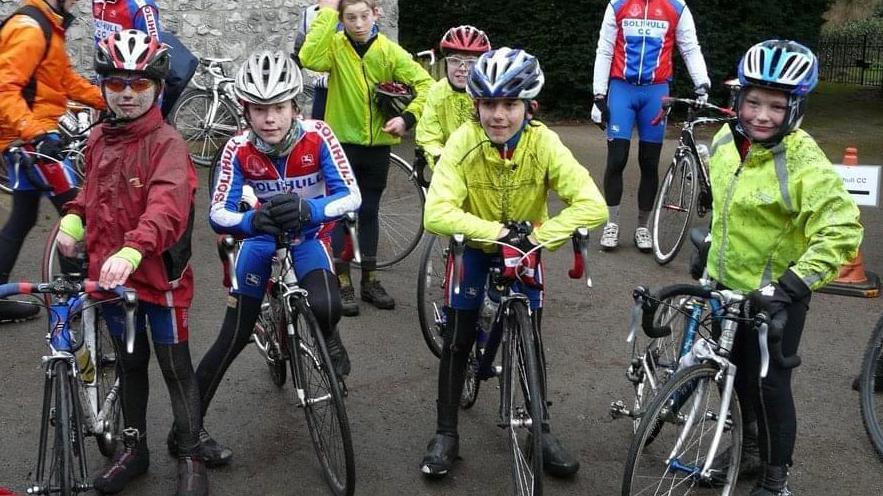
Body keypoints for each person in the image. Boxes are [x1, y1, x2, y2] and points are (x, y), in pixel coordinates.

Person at [419, 47, 609, 478]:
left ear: (529, 106)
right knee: (459, 337)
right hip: (476, 248)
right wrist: (500, 232)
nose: (498, 115)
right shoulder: (463, 143)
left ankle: (540, 430)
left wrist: (540, 236)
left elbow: (593, 206)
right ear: (476, 105)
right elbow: (436, 212)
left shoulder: (544, 143)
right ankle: (445, 432)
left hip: (526, 249)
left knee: (532, 341)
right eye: (488, 104)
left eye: (510, 104)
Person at [692, 40, 862, 495]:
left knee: (768, 386)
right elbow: (728, 206)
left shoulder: (806, 162)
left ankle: (775, 479)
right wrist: (708, 246)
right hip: (727, 286)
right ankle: (748, 451)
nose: (761, 116)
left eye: (776, 106)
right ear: (737, 99)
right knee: (736, 376)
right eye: (753, 102)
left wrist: (787, 287)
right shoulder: (726, 140)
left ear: (796, 110)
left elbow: (843, 231)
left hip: (778, 296)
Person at [190, 49, 361, 465]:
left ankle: (328, 334)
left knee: (327, 304)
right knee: (231, 338)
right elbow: (217, 212)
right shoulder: (236, 148)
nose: (270, 119)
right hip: (261, 241)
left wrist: (312, 210)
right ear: (246, 111)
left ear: (294, 106)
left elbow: (351, 194)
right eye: (259, 109)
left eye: (279, 108)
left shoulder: (318, 135)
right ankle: (188, 433)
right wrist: (251, 224)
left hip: (308, 237)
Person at [55, 29, 207, 495]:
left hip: (157, 280)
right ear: (103, 86)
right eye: (117, 83)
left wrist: (132, 249)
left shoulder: (168, 143)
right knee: (129, 364)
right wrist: (73, 221)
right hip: (112, 281)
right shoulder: (99, 138)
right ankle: (134, 449)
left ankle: (191, 455)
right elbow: (90, 194)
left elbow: (167, 207)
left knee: (174, 367)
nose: (126, 94)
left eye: (139, 85)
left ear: (158, 89)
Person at [299, 0, 433, 316]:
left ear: (375, 14)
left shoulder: (388, 51)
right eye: (350, 18)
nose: (358, 24)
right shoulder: (333, 46)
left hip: (377, 146)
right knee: (342, 211)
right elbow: (307, 57)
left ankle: (370, 280)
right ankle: (342, 279)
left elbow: (427, 85)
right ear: (341, 19)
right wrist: (329, 13)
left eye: (363, 16)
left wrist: (407, 119)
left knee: (370, 210)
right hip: (342, 144)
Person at [0, 0, 106, 323]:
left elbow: (62, 80)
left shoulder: (49, 25)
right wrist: (37, 133)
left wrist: (109, 99)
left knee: (22, 217)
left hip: (26, 141)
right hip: (34, 143)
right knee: (75, 211)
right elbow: (4, 89)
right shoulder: (31, 29)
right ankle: (78, 300)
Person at [591, 0, 711, 252]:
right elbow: (605, 49)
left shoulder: (677, 6)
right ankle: (611, 224)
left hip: (656, 92)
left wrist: (702, 83)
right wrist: (599, 95)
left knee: (649, 162)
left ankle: (642, 227)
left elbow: (689, 47)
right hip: (621, 89)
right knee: (617, 159)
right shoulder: (618, 4)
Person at [91, 0, 198, 117]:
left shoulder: (142, 7)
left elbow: (154, 54)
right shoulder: (97, 1)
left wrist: (154, 111)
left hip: (133, 83)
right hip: (107, 80)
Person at [414, 25, 491, 177]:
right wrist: (441, 159)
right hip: (449, 170)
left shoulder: (489, 94)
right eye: (455, 60)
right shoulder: (437, 92)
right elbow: (428, 136)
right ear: (446, 62)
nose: (463, 68)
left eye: (471, 62)